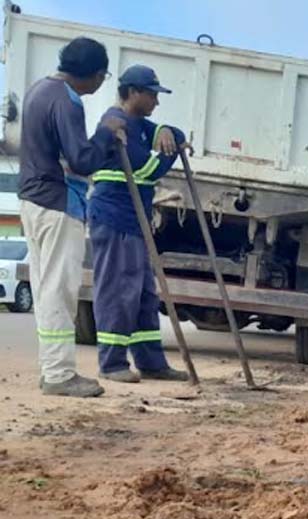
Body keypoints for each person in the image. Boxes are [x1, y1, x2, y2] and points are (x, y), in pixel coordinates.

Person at [17, 37, 123, 397]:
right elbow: (81, 159)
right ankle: (60, 375)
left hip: (34, 201)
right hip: (59, 202)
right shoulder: (68, 101)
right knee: (59, 291)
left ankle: (54, 369)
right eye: (102, 77)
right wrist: (106, 135)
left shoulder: (38, 90)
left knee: (47, 287)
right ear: (94, 75)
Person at [86, 65, 189, 382]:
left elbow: (174, 135)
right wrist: (170, 154)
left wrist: (167, 132)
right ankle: (112, 363)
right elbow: (145, 170)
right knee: (119, 290)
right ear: (132, 93)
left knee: (144, 292)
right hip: (115, 217)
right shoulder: (115, 124)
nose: (156, 103)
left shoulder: (139, 124)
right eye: (152, 95)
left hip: (135, 219)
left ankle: (151, 362)